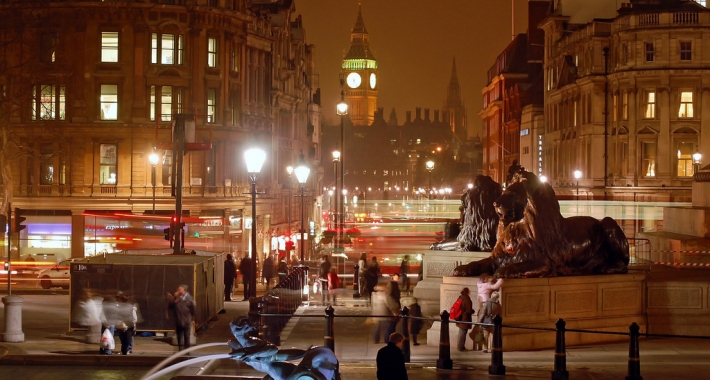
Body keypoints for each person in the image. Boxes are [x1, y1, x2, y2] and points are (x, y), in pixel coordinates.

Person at [167, 284, 196, 351]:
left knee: (187, 336)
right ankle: (180, 350)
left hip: (186, 320)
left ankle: (187, 350)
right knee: (179, 336)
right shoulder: (177, 298)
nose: (177, 291)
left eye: (179, 289)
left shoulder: (189, 299)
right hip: (179, 320)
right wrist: (173, 298)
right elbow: (171, 307)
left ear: (184, 290)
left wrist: (194, 319)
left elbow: (193, 310)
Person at [455, 287, 474, 351]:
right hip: (465, 318)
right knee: (463, 333)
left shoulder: (460, 298)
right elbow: (469, 310)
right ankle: (461, 347)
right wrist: (472, 311)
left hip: (459, 317)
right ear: (468, 292)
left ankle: (459, 346)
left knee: (461, 332)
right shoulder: (467, 300)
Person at [384, 273, 402, 341]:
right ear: (393, 277)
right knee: (392, 324)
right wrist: (394, 308)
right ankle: (389, 338)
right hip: (393, 307)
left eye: (398, 277)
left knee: (393, 324)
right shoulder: (391, 284)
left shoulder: (395, 283)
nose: (397, 279)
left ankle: (391, 338)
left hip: (395, 306)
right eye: (396, 277)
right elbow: (389, 296)